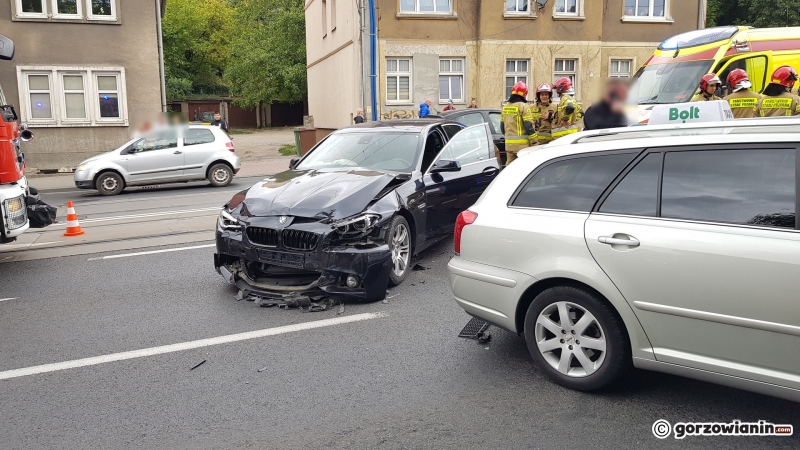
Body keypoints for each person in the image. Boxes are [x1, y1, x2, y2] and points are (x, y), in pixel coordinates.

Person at [500, 81, 537, 166]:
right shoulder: (524, 106)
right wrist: (535, 142)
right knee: (523, 168)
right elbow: (528, 126)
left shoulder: (505, 107)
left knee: (510, 168)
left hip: (508, 145)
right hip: (522, 146)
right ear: (524, 93)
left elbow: (502, 128)